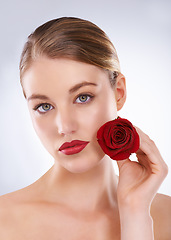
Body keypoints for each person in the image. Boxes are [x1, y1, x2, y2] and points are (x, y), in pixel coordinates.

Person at [0, 17, 170, 240]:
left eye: (82, 97)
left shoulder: (166, 217)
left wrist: (136, 213)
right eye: (44, 106)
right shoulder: (5, 221)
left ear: (118, 92)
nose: (65, 127)